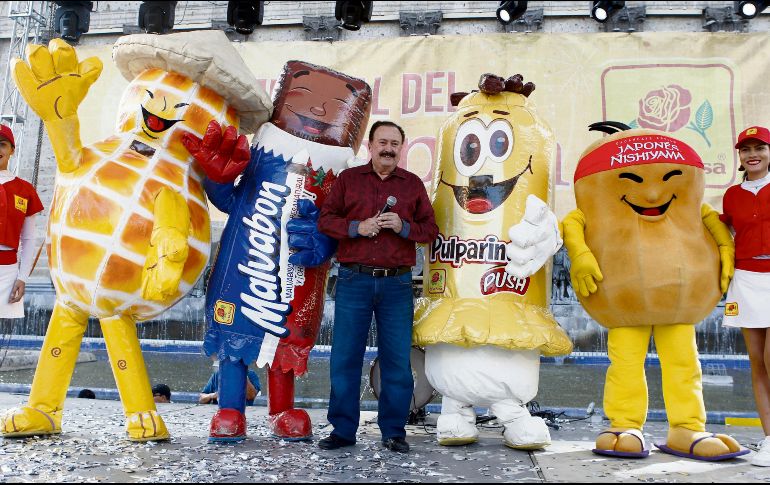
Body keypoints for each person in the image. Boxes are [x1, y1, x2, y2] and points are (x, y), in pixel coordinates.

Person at [317, 121, 439, 453]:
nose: (388, 148)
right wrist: (358, 227)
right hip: (353, 280)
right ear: (369, 146)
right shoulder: (348, 180)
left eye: (394, 143)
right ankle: (342, 430)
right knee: (345, 358)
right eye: (382, 142)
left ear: (402, 148)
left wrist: (403, 226)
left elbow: (430, 230)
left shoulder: (413, 185)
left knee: (397, 360)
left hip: (397, 284)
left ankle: (394, 431)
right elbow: (326, 220)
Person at [721, 125, 770, 466]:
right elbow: (723, 232)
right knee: (757, 363)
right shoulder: (732, 195)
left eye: (759, 148)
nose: (752, 154)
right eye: (746, 149)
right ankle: (769, 439)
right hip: (746, 280)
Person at [0, 125, 43, 319]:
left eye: (2, 145)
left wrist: (23, 277)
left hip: (8, 271)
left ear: (12, 150)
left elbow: (28, 238)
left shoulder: (25, 189)